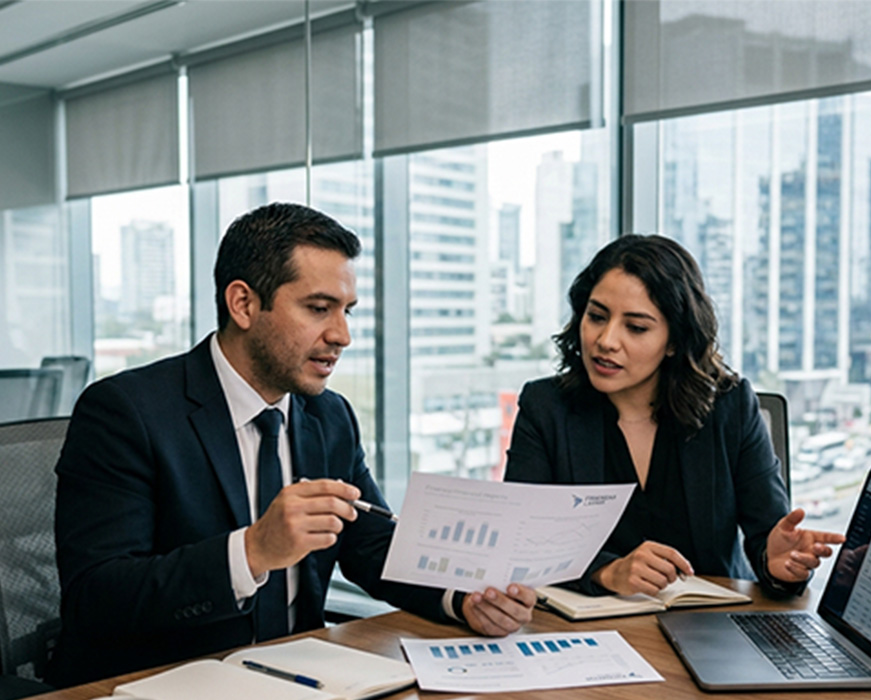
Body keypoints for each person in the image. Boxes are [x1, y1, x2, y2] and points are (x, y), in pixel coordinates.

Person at [50, 203, 535, 687]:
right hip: (167, 684)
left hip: (303, 679)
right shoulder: (126, 411)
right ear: (243, 304)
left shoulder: (329, 415)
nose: (341, 335)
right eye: (319, 309)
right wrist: (253, 551)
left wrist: (461, 596)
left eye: (346, 312)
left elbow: (370, 545)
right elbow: (96, 597)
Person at [504, 234, 844, 599]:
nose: (606, 340)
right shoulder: (546, 407)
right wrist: (606, 570)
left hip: (713, 629)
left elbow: (769, 539)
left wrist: (779, 565)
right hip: (592, 631)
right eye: (597, 316)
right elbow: (524, 541)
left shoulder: (730, 407)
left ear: (674, 341)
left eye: (636, 327)